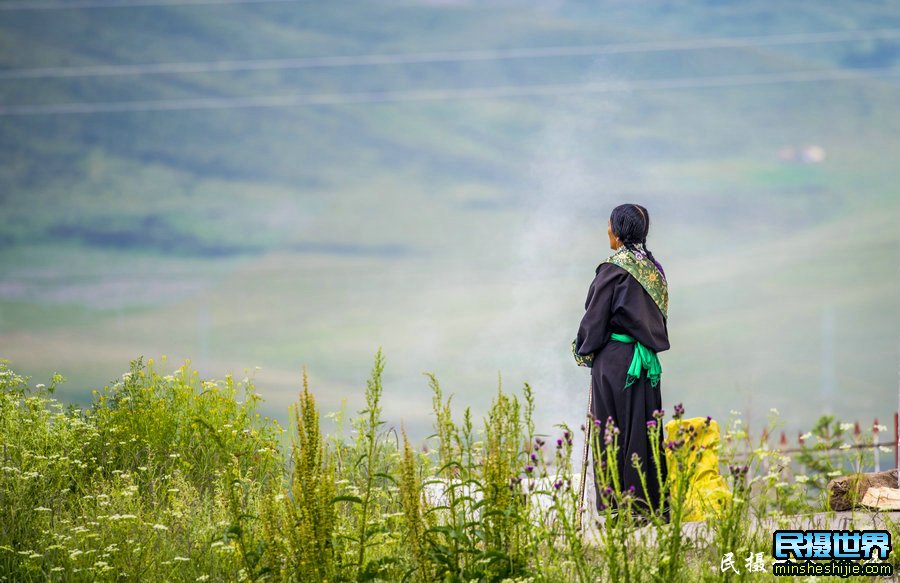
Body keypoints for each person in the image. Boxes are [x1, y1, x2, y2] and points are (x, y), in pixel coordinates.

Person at [572, 203, 669, 517]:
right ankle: (650, 505)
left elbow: (594, 318)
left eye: (610, 227)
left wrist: (583, 350)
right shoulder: (654, 270)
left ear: (619, 232)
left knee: (611, 430)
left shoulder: (613, 269)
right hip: (645, 363)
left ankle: (617, 508)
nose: (608, 233)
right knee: (645, 428)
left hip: (615, 362)